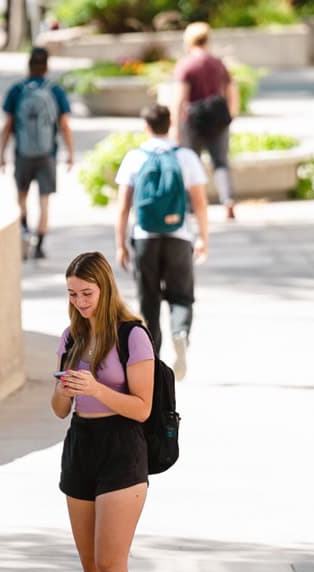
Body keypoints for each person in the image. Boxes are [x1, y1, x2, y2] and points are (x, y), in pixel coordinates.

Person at [51, 252, 155, 572]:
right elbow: (58, 411)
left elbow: (142, 408)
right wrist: (64, 388)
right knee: (92, 567)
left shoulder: (133, 337)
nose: (79, 302)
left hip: (122, 452)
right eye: (72, 294)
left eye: (86, 293)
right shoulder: (71, 337)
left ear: (105, 288)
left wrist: (96, 388)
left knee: (112, 564)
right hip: (81, 448)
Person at [115, 103, 209, 381]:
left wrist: (121, 244)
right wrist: (203, 238)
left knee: (149, 301)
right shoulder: (186, 157)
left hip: (144, 238)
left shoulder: (135, 157)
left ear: (146, 127)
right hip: (179, 237)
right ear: (171, 125)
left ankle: (152, 361)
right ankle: (180, 332)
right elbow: (200, 204)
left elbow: (122, 207)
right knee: (181, 295)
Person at [0, 47, 75, 260]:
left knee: (21, 196)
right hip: (47, 154)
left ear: (29, 65)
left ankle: (24, 232)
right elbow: (65, 125)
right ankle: (39, 245)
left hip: (23, 153)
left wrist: (1, 155)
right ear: (46, 66)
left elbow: (7, 125)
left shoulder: (17, 90)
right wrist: (71, 152)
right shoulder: (55, 91)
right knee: (44, 201)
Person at [170, 21, 240, 220]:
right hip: (218, 119)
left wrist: (175, 126)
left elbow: (179, 99)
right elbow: (231, 90)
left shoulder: (186, 65)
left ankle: (191, 206)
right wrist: (231, 114)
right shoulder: (217, 63)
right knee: (221, 162)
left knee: (191, 162)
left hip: (193, 121)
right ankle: (228, 200)